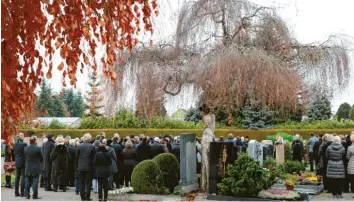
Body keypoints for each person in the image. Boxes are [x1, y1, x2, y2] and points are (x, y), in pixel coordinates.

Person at [77, 133, 96, 201]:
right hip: (89, 167)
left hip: (81, 167)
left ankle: (82, 196)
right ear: (90, 139)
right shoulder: (92, 147)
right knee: (88, 182)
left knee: (81, 182)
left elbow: (77, 156)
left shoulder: (79, 146)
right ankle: (87, 196)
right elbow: (94, 157)